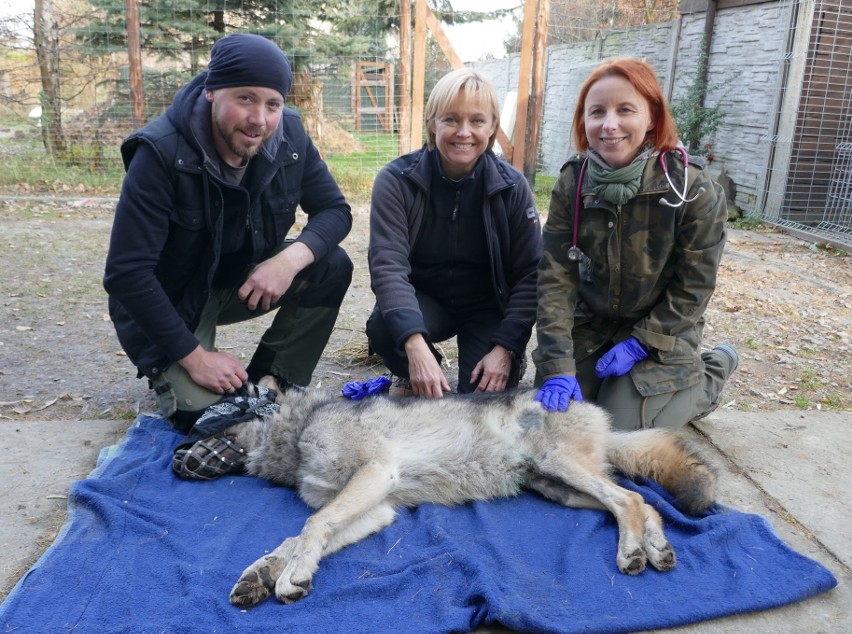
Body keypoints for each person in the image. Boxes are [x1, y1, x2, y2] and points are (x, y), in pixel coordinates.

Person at [104, 33, 353, 431]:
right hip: (176, 299)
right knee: (210, 419)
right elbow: (127, 274)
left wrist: (289, 261)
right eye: (245, 99)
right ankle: (186, 373)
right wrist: (195, 358)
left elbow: (335, 211)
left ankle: (272, 379)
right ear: (211, 91)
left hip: (238, 281)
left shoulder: (290, 137)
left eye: (273, 104)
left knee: (330, 264)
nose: (259, 119)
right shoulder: (159, 153)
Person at [532, 57, 738, 430]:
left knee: (619, 431)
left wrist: (642, 342)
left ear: (652, 118)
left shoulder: (692, 189)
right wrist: (557, 365)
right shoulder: (572, 183)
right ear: (584, 121)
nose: (609, 124)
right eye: (597, 112)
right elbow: (555, 280)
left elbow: (694, 286)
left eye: (625, 110)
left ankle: (712, 372)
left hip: (662, 331)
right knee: (556, 424)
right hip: (591, 325)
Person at [366, 68, 543, 398]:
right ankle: (414, 375)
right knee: (385, 327)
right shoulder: (396, 180)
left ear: (492, 127)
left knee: (481, 402)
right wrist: (416, 349)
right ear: (432, 123)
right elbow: (387, 267)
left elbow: (531, 273)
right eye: (450, 119)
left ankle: (493, 365)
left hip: (487, 306)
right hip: (427, 301)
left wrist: (506, 347)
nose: (464, 132)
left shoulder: (513, 187)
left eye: (477, 121)